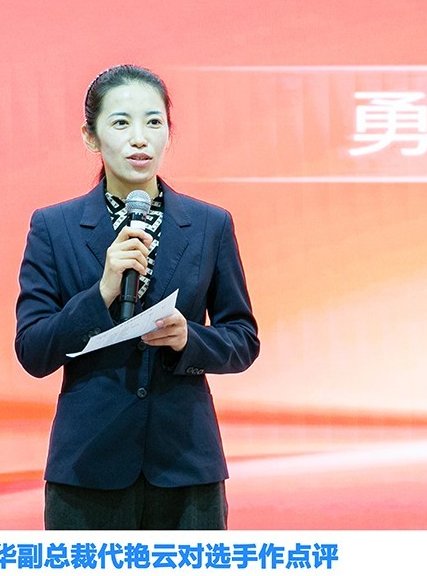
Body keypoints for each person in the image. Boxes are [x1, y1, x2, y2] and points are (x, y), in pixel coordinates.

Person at [15, 64, 259, 529]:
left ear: (169, 132)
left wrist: (189, 339)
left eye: (153, 122)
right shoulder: (53, 227)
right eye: (121, 123)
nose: (140, 138)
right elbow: (33, 351)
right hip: (88, 469)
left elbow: (243, 339)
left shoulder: (210, 225)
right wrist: (102, 292)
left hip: (186, 467)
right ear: (91, 137)